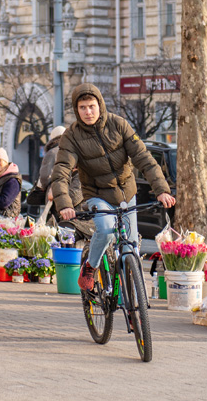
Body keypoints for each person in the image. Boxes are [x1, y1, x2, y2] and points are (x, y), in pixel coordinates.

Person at [51, 83, 176, 292]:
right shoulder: (72, 136)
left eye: (91, 106)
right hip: (97, 194)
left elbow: (144, 158)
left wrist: (162, 189)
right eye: (83, 108)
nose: (88, 112)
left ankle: (136, 309)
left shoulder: (118, 124)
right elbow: (62, 171)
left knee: (131, 248)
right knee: (108, 230)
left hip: (127, 192)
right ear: (76, 110)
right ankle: (90, 266)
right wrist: (64, 204)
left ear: (100, 105)